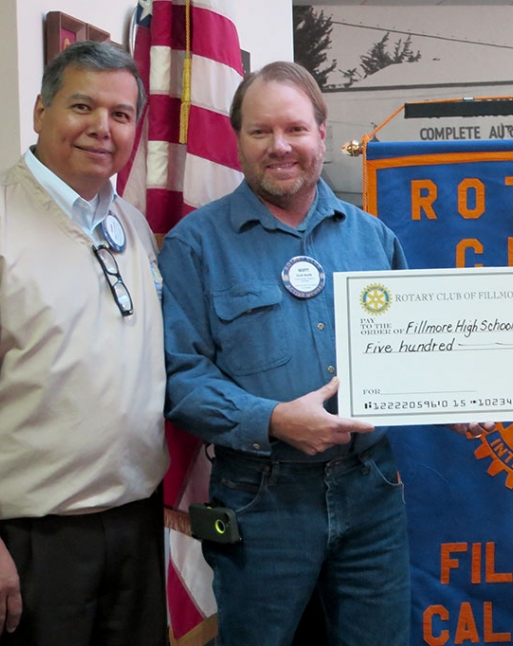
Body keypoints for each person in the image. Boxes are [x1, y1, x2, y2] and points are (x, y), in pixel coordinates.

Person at [158, 61, 410, 646]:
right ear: (237, 139)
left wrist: (463, 401)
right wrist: (271, 420)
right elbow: (179, 376)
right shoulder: (196, 245)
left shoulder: (374, 239)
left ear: (322, 132)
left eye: (295, 129)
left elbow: (415, 354)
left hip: (372, 489)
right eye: (260, 131)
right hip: (260, 498)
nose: (280, 147)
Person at [0, 41, 168, 645]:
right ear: (41, 110)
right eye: (82, 106)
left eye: (120, 115)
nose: (102, 128)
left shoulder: (131, 224)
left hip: (136, 525)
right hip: (31, 539)